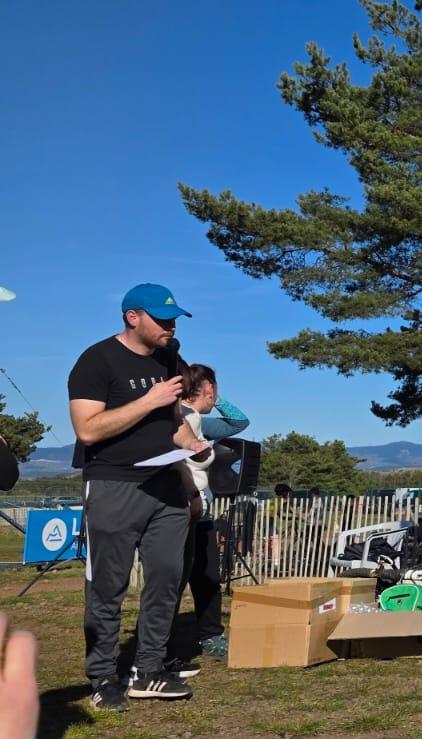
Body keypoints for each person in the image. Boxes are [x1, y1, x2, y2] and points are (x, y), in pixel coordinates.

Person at [68, 283, 209, 711]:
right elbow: (88, 429)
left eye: (174, 320)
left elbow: (174, 425)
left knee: (167, 577)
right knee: (108, 587)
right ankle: (103, 676)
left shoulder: (170, 359)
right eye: (162, 319)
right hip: (113, 484)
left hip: (166, 484)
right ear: (133, 317)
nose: (170, 327)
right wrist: (147, 400)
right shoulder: (96, 361)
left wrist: (196, 449)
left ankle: (148, 670)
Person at [168, 363, 249, 669]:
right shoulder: (186, 417)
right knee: (175, 581)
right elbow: (240, 421)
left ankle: (209, 635)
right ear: (209, 389)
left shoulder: (197, 419)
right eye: (213, 390)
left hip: (201, 512)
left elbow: (239, 423)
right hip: (180, 508)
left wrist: (212, 398)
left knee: (207, 577)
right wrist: (217, 397)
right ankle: (166, 645)